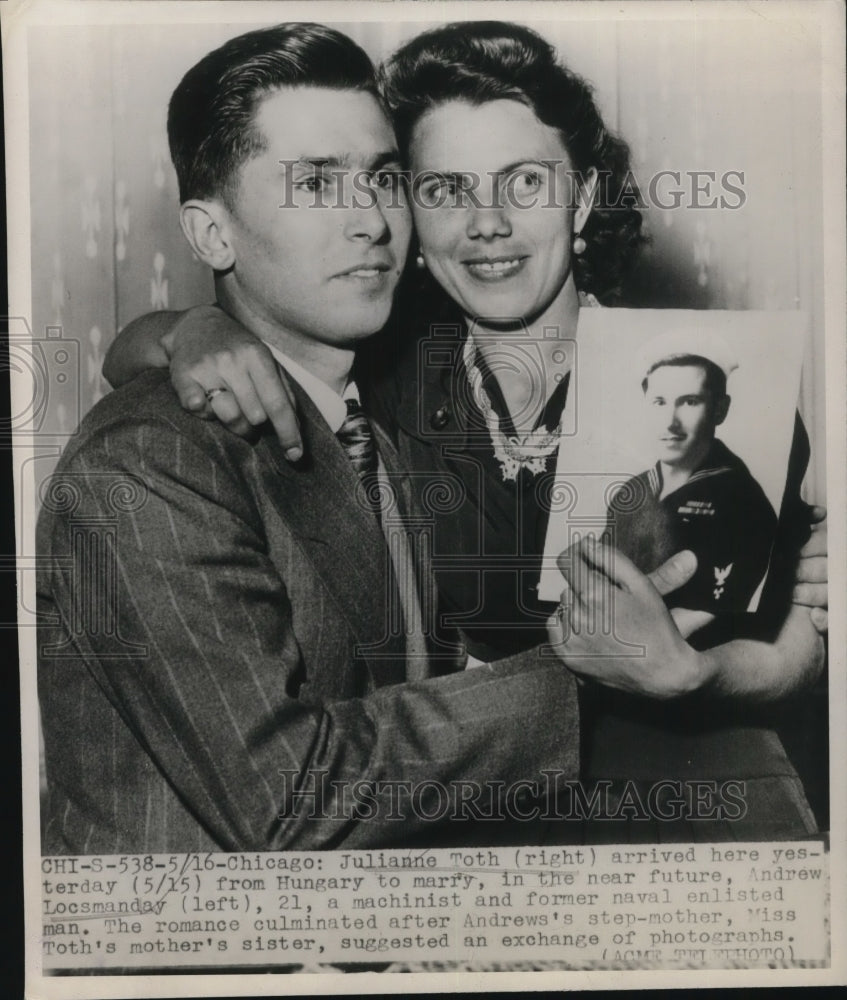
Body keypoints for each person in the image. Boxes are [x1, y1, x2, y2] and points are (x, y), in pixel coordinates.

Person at [103, 22, 827, 839]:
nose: (486, 223)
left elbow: (802, 637)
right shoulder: (377, 362)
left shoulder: (694, 379)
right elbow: (139, 357)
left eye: (522, 183)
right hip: (451, 804)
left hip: (686, 797)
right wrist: (191, 329)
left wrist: (693, 677)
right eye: (445, 189)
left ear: (581, 196)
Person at [38, 22, 631, 855]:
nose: (371, 222)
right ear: (210, 234)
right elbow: (285, 798)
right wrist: (593, 679)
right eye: (316, 185)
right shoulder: (148, 465)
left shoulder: (374, 413)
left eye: (384, 179)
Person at [606, 337, 778, 615]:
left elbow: (718, 616)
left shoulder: (743, 501)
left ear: (720, 409)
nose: (670, 422)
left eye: (689, 401)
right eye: (659, 402)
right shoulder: (629, 492)